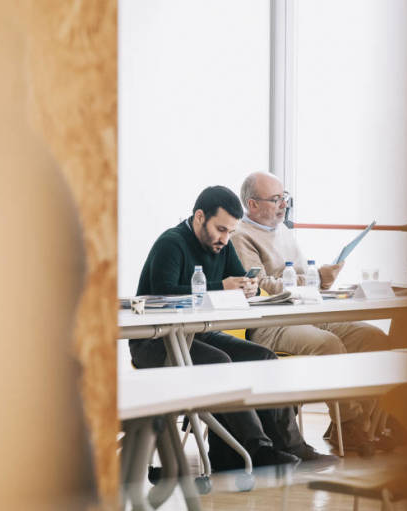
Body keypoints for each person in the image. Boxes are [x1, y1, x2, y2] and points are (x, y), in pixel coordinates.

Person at [130, 185, 338, 471]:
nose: (225, 240)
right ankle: (259, 450)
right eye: (221, 229)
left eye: (231, 232)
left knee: (263, 357)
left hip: (197, 334)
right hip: (154, 343)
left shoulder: (222, 245)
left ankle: (291, 446)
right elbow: (163, 295)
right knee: (220, 363)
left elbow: (239, 278)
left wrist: (248, 286)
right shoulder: (171, 243)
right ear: (200, 217)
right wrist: (220, 286)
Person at [231, 172, 407, 455]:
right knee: (328, 345)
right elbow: (261, 286)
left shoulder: (284, 231)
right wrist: (313, 278)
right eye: (276, 199)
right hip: (270, 323)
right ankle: (348, 424)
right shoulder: (240, 236)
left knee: (373, 339)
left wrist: (321, 278)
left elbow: (299, 276)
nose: (283, 205)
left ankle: (364, 424)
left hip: (306, 312)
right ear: (252, 205)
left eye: (285, 197)